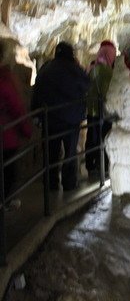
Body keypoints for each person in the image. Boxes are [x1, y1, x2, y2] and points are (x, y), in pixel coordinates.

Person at [32, 42, 89, 191]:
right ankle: (69, 183)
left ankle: (51, 183)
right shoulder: (75, 70)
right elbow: (86, 86)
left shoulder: (45, 69)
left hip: (49, 119)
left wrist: (36, 113)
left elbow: (37, 92)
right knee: (70, 154)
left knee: (51, 153)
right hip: (71, 119)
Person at [0, 41, 32, 205]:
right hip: (6, 137)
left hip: (6, 135)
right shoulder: (5, 80)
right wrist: (26, 130)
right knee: (8, 172)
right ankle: (5, 204)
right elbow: (16, 107)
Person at [85, 40, 116, 178]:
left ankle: (90, 165)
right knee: (104, 138)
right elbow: (107, 92)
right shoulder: (107, 71)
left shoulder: (91, 68)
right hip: (103, 111)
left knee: (91, 138)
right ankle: (102, 165)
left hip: (91, 110)